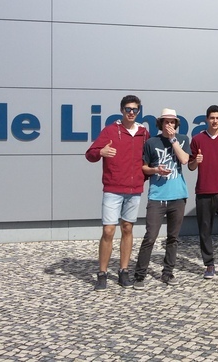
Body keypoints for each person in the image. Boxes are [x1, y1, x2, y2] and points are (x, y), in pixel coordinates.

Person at [85, 95, 150, 291]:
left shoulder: (143, 133)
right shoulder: (110, 131)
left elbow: (148, 159)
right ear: (122, 110)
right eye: (128, 109)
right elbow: (90, 154)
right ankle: (102, 273)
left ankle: (123, 271)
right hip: (113, 188)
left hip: (134, 189)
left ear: (139, 111)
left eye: (135, 109)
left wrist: (145, 177)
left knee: (128, 229)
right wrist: (100, 152)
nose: (131, 112)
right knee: (108, 231)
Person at [132, 108, 191, 289]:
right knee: (150, 236)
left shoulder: (183, 139)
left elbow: (184, 160)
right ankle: (140, 275)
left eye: (172, 122)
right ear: (161, 123)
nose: (169, 125)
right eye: (166, 122)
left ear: (176, 124)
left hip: (178, 196)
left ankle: (168, 272)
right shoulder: (151, 142)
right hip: (157, 197)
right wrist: (156, 170)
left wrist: (173, 140)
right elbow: (144, 167)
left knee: (173, 238)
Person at [188, 105, 218, 280]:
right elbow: (191, 166)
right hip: (204, 192)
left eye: (217, 118)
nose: (214, 121)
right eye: (211, 118)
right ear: (206, 119)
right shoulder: (197, 139)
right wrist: (196, 161)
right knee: (205, 229)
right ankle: (209, 264)